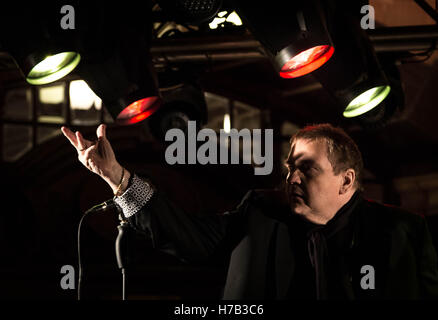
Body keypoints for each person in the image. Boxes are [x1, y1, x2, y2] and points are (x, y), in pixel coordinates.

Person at [61, 123, 438, 299]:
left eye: (307, 168)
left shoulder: (402, 231)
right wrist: (118, 178)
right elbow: (190, 237)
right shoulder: (260, 212)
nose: (291, 176)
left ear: (347, 180)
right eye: (290, 167)